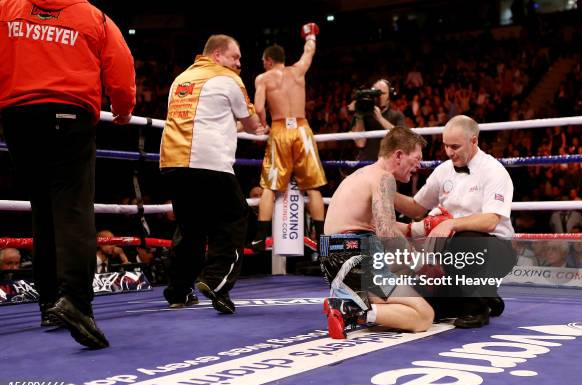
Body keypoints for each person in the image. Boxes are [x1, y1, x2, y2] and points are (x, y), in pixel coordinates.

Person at [0, 0, 135, 348]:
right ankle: (75, 302)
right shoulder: (94, 17)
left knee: (43, 210)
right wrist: (123, 109)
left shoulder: (8, 10)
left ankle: (48, 304)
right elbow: (121, 66)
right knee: (72, 210)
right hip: (69, 114)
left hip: (19, 118)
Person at [159, 34, 263, 314]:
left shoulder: (180, 79)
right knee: (235, 217)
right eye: (235, 57)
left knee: (191, 227)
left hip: (172, 163)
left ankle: (178, 291)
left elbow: (205, 119)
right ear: (217, 55)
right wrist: (258, 127)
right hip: (209, 162)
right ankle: (216, 280)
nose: (239, 63)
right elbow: (252, 124)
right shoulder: (228, 79)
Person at [395, 115, 516, 328]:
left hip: (494, 248)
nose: (449, 152)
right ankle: (483, 295)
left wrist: (451, 223)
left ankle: (476, 309)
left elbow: (490, 220)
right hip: (449, 252)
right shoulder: (443, 170)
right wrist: (382, 190)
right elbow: (416, 207)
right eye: (445, 145)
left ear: (474, 141)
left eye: (455, 146)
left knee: (466, 240)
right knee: (430, 306)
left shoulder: (494, 171)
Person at [321, 126, 435, 339]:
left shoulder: (361, 175)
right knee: (425, 316)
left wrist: (415, 231)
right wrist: (419, 263)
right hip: (360, 255)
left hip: (334, 257)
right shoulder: (384, 179)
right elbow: (385, 231)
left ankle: (352, 304)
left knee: (399, 277)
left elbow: (385, 223)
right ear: (399, 155)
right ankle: (351, 311)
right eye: (416, 158)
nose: (418, 165)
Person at [251, 23, 327, 250]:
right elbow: (309, 51)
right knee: (313, 187)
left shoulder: (263, 78)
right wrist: (311, 35)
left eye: (264, 61)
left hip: (279, 130)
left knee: (269, 186)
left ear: (269, 60)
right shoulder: (298, 70)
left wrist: (264, 124)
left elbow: (258, 106)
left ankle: (260, 237)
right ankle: (322, 237)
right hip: (303, 129)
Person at [352, 79, 406, 161]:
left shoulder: (397, 115)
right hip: (367, 164)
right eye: (376, 93)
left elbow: (402, 139)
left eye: (383, 93)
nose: (379, 96)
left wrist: (380, 118)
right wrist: (359, 116)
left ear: (389, 96)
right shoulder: (363, 115)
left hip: (389, 165)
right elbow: (360, 143)